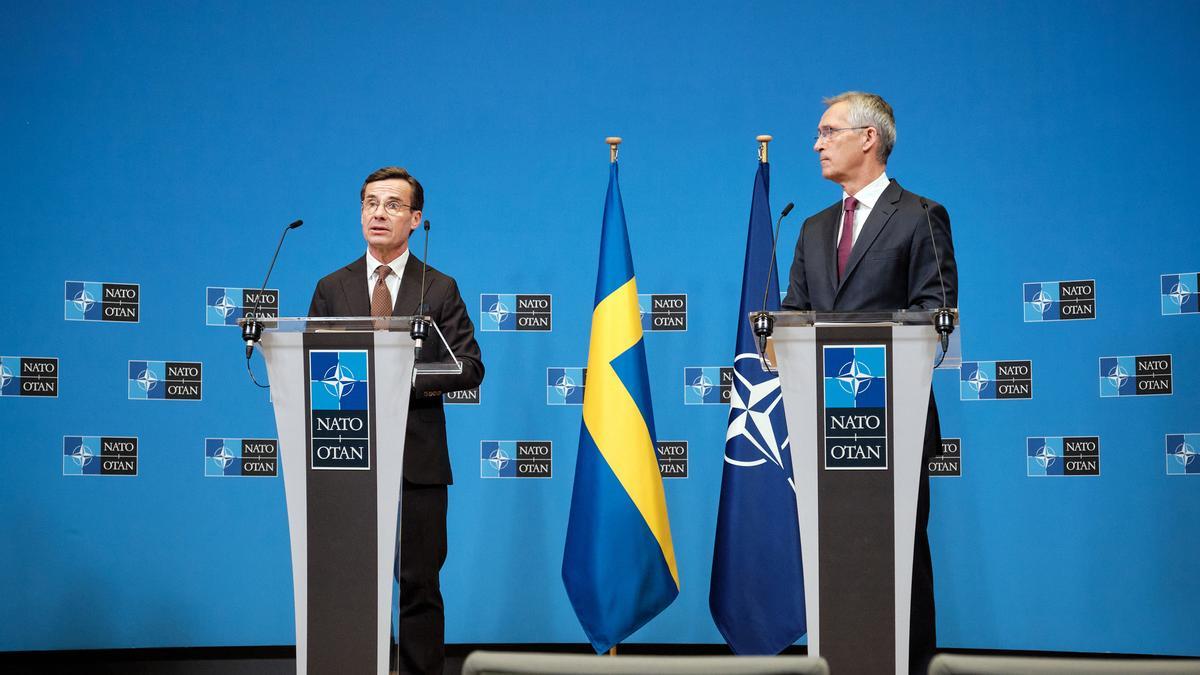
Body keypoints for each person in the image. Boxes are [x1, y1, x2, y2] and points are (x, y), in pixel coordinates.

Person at [782, 92, 957, 673]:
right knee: (834, 566)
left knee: (901, 562)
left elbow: (935, 315)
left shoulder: (920, 216)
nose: (817, 144)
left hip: (892, 431)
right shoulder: (810, 228)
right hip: (826, 433)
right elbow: (794, 319)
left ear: (869, 138)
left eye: (829, 131)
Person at [308, 166, 484, 675]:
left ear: (415, 219)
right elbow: (313, 366)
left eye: (391, 205)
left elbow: (470, 367)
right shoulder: (330, 288)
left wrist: (399, 380)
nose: (378, 213)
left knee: (419, 587)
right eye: (369, 203)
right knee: (353, 588)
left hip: (418, 465)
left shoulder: (439, 288)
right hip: (346, 460)